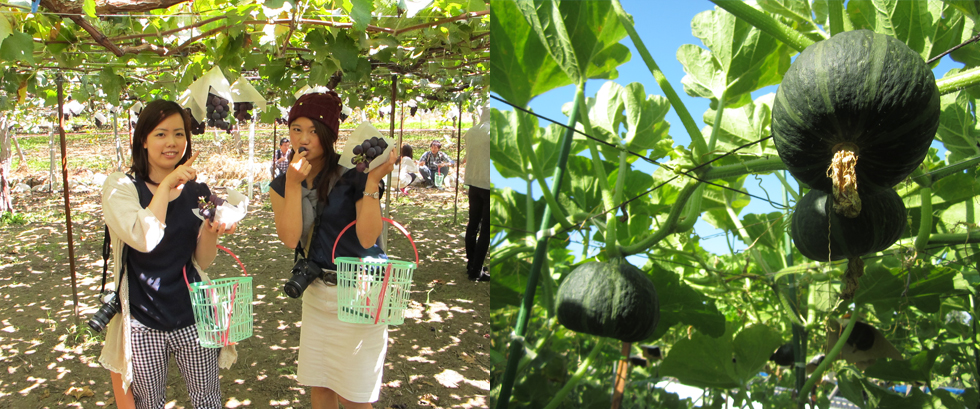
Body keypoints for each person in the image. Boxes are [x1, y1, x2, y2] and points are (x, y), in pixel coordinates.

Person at [99, 99, 238, 409]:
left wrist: (212, 233)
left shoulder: (197, 191)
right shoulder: (122, 188)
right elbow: (144, 238)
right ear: (144, 139)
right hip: (143, 322)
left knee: (207, 400)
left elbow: (200, 261)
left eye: (179, 134)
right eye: (161, 134)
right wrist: (165, 187)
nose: (172, 142)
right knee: (149, 404)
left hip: (192, 317)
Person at [269, 91, 397, 408]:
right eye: (297, 129)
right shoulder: (282, 183)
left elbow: (368, 238)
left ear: (329, 135)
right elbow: (289, 238)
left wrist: (371, 184)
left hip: (361, 292)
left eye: (314, 130)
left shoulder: (354, 175)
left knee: (354, 395)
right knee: (322, 385)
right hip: (316, 294)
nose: (304, 138)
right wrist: (293, 184)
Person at [464, 108, 491, 282]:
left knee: (473, 224)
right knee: (486, 229)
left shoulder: (471, 132)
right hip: (488, 183)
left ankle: (472, 263)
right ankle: (476, 271)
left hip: (473, 182)